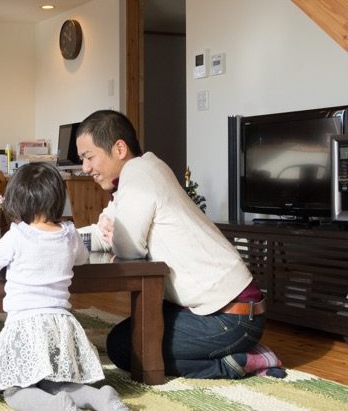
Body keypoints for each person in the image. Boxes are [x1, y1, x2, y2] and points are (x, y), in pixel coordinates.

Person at [76, 109, 284, 379]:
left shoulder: (139, 175)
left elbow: (127, 249)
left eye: (89, 157)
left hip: (232, 317)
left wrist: (116, 235)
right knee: (132, 332)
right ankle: (229, 350)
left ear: (119, 149)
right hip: (219, 311)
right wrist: (58, 236)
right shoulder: (137, 175)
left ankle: (241, 361)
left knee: (124, 348)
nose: (85, 168)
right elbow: (102, 234)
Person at [0, 162, 128, 411]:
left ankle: (57, 407)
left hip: (26, 325)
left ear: (18, 200)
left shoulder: (18, 235)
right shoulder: (69, 233)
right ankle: (101, 398)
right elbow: (82, 258)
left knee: (14, 390)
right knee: (57, 382)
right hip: (61, 325)